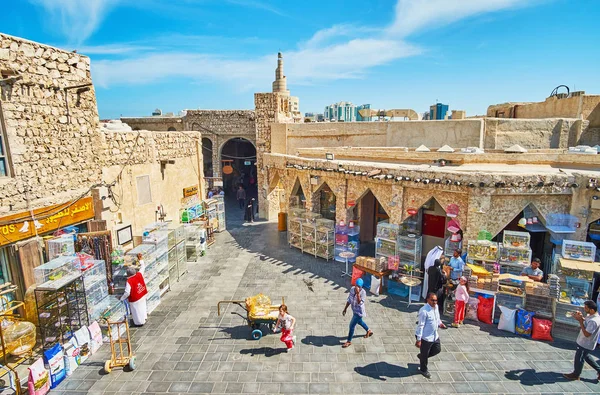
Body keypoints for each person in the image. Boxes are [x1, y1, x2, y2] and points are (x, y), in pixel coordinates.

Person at [563, 300, 600, 381]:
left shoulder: (594, 321)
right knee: (586, 356)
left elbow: (587, 334)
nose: (584, 309)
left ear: (592, 310)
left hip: (585, 343)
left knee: (579, 358)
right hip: (585, 343)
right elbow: (586, 322)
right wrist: (581, 318)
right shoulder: (591, 316)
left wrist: (580, 321)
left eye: (586, 308)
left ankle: (576, 374)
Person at [415, 292, 447, 378]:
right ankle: (423, 369)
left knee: (437, 349)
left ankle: (422, 357)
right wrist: (418, 339)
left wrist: (440, 324)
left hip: (434, 335)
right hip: (425, 337)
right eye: (433, 300)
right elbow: (420, 326)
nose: (435, 302)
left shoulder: (436, 307)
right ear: (428, 300)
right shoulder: (424, 311)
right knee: (425, 355)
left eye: (436, 300)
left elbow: (437, 318)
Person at [342, 278, 373, 348]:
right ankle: (369, 330)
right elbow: (349, 300)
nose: (357, 287)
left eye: (359, 286)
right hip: (354, 309)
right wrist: (345, 309)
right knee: (359, 322)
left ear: (361, 287)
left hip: (359, 312)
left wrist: (358, 293)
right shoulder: (352, 289)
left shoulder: (363, 293)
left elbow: (359, 302)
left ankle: (348, 341)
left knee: (351, 326)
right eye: (356, 285)